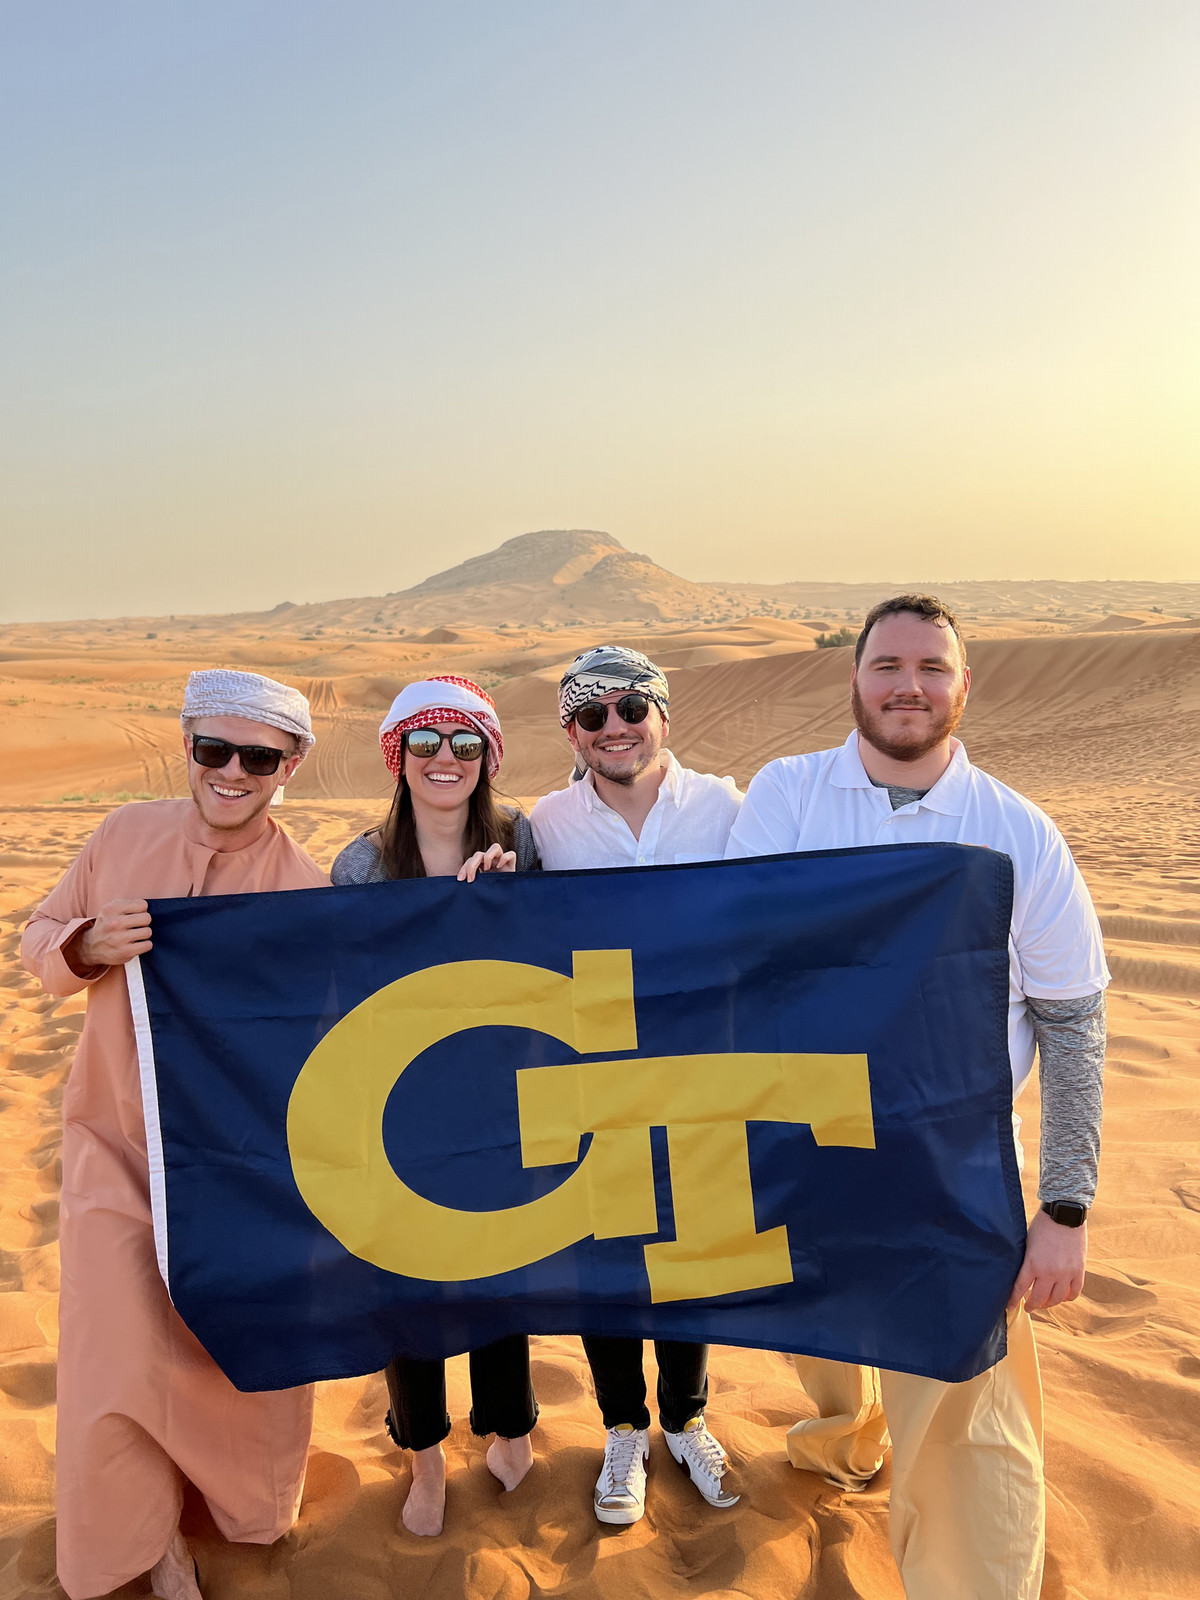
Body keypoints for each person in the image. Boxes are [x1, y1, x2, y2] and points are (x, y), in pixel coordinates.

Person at [727, 594, 1109, 1600]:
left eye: (932, 668)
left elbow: (1072, 1021)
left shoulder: (1015, 832)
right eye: (887, 665)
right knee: (829, 1346)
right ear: (852, 679)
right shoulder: (786, 795)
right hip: (808, 1153)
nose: (909, 686)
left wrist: (1064, 1207)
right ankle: (842, 1441)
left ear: (964, 686)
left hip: (956, 1176)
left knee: (966, 1420)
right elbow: (737, 951)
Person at [21, 670, 328, 1600]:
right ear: (188, 746)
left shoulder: (301, 887)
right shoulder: (122, 836)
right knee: (118, 1343)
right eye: (212, 750)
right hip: (113, 1143)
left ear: (292, 767)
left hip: (242, 1168)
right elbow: (40, 937)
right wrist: (81, 945)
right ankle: (142, 1541)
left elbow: (341, 1022)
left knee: (228, 1346)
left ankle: (239, 1505)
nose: (231, 772)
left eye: (258, 757)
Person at [530, 644, 744, 1526]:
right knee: (609, 1256)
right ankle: (623, 1427)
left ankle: (688, 1421)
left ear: (663, 714)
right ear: (571, 733)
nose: (614, 729)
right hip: (596, 1070)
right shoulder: (544, 824)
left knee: (690, 1251)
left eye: (631, 710)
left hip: (701, 1062)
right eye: (591, 716)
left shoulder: (730, 805)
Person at [331, 675, 540, 1537]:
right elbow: (341, 979)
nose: (444, 759)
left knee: (501, 1265)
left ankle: (512, 1426)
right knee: (405, 1280)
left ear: (487, 756)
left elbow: (562, 949)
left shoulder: (522, 839)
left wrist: (503, 902)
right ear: (399, 757)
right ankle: (422, 1457)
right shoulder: (361, 862)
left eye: (463, 743)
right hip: (397, 1101)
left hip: (502, 1095)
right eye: (425, 743)